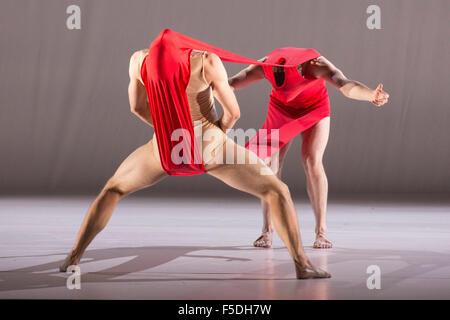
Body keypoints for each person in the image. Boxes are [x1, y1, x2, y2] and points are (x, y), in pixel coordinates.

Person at [59, 30, 330, 279]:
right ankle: (302, 265)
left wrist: (171, 132)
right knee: (277, 190)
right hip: (209, 148)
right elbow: (234, 113)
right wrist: (215, 136)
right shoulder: (206, 61)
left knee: (112, 190)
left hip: (164, 149)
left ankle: (73, 257)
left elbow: (137, 108)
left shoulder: (138, 60)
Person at [229, 47, 389, 249]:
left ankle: (321, 231)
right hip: (281, 110)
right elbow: (232, 83)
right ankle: (266, 231)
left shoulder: (315, 66)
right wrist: (200, 87)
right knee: (268, 165)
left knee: (311, 161)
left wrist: (369, 95)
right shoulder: (266, 65)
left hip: (314, 110)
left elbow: (344, 84)